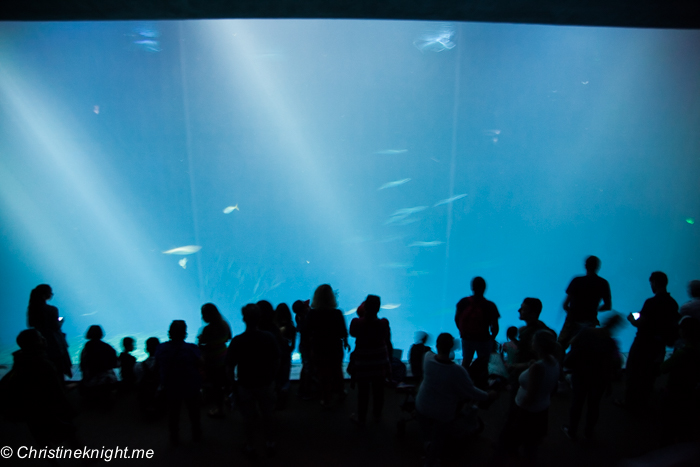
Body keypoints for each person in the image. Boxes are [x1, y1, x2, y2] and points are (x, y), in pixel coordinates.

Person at [415, 333, 496, 467]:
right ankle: (431, 460)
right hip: (442, 413)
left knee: (427, 433)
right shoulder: (457, 371)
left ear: (437, 345)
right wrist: (489, 395)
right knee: (438, 438)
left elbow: (430, 353)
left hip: (421, 405)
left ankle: (427, 446)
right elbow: (472, 391)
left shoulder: (427, 359)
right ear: (452, 347)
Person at [2, 329, 78, 446]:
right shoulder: (44, 364)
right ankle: (84, 457)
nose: (44, 339)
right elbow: (57, 392)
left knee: (41, 438)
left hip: (31, 410)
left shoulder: (20, 361)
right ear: (34, 343)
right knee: (69, 431)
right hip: (49, 408)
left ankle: (54, 463)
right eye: (40, 337)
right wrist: (68, 409)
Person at [617, 271, 680, 411]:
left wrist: (632, 319)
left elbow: (641, 322)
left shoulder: (651, 302)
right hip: (659, 345)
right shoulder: (673, 303)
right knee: (649, 373)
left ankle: (630, 403)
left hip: (643, 344)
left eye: (651, 283)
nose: (651, 286)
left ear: (655, 283)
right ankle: (644, 402)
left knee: (634, 371)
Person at [497, 330, 560, 467]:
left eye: (533, 341)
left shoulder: (538, 367)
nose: (531, 343)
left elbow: (531, 395)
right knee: (532, 441)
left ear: (538, 345)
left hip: (528, 411)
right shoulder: (553, 361)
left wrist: (519, 411)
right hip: (543, 407)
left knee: (523, 439)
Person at [226, 304, 281, 457]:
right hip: (265, 382)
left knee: (248, 417)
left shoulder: (238, 340)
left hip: (245, 384)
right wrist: (273, 377)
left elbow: (230, 367)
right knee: (268, 414)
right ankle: (270, 442)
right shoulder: (268, 337)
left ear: (244, 319)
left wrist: (233, 386)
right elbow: (277, 360)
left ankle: (250, 445)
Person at [562, 314, 623, 440]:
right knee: (594, 405)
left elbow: (572, 343)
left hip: (581, 374)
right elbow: (615, 363)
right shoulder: (611, 342)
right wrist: (609, 383)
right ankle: (589, 432)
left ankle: (572, 430)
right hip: (600, 378)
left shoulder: (586, 332)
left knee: (577, 402)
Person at [348, 294, 392, 425]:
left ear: (365, 307)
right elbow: (386, 337)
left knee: (363, 391)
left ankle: (361, 418)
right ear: (378, 308)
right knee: (379, 390)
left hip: (363, 362)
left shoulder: (356, 323)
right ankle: (377, 415)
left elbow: (352, 333)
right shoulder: (384, 323)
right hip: (379, 362)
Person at [156, 320, 203, 445]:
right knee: (194, 411)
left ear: (169, 333)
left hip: (171, 386)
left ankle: (174, 437)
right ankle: (196, 434)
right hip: (191, 385)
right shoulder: (191, 349)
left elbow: (158, 363)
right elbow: (200, 363)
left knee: (173, 412)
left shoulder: (161, 348)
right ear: (185, 333)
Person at [306, 284, 349, 408]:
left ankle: (326, 398)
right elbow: (343, 332)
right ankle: (340, 392)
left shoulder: (312, 314)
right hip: (335, 347)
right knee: (337, 370)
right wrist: (345, 341)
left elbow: (307, 330)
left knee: (323, 374)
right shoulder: (337, 313)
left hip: (319, 347)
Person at [659, 316, 700, 445]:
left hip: (675, 388)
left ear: (684, 332)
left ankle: (668, 443)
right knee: (686, 415)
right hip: (692, 388)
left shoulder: (683, 353)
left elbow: (663, 368)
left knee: (670, 416)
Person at [558, 256, 612, 352]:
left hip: (572, 320)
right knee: (584, 350)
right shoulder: (603, 283)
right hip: (589, 322)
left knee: (560, 346)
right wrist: (595, 309)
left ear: (585, 266)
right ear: (598, 267)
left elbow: (565, 304)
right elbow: (608, 306)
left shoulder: (577, 280)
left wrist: (570, 312)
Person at [455, 276, 500, 388]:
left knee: (466, 362)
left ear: (472, 287)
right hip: (484, 340)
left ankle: (462, 385)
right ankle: (482, 386)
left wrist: (462, 332)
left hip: (467, 338)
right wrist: (492, 338)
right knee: (484, 365)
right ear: (485, 288)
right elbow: (495, 326)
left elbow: (456, 318)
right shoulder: (490, 305)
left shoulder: (463, 302)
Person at [26, 284, 72, 379]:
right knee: (58, 366)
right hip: (54, 342)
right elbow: (55, 327)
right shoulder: (52, 309)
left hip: (38, 342)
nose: (51, 294)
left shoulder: (31, 309)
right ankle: (61, 387)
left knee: (44, 367)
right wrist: (60, 322)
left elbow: (30, 324)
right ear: (45, 295)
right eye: (50, 293)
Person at [197, 303, 232, 419]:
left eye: (204, 314)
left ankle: (220, 409)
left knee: (216, 385)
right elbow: (228, 338)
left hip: (213, 361)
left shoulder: (208, 329)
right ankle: (228, 398)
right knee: (225, 381)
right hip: (224, 356)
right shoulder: (225, 324)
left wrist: (200, 341)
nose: (203, 317)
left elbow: (204, 345)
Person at [79, 325, 118, 404]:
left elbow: (82, 366)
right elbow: (115, 364)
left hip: (89, 381)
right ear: (101, 334)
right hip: (105, 381)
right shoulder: (107, 347)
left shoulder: (86, 348)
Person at [274, 302, 297, 408]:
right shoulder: (291, 327)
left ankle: (277, 394)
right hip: (286, 353)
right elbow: (293, 343)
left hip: (276, 355)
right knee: (285, 374)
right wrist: (289, 349)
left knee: (277, 374)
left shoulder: (274, 328)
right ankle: (284, 392)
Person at [292, 299, 313, 399]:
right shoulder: (305, 318)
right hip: (308, 346)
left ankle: (303, 389)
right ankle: (306, 391)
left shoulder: (299, 317)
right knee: (307, 368)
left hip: (304, 346)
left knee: (306, 367)